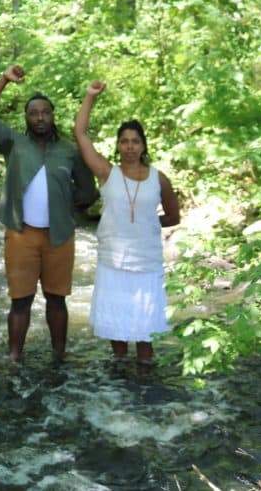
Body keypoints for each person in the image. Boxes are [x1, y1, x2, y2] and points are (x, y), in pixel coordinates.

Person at [0, 65, 97, 362]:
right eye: (34, 113)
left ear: (53, 116)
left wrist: (67, 204)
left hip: (60, 235)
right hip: (21, 233)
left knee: (57, 299)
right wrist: (3, 78)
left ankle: (59, 356)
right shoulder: (14, 143)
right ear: (26, 118)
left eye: (45, 112)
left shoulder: (69, 150)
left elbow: (89, 191)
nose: (40, 117)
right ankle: (14, 358)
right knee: (21, 300)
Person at [74, 81, 180, 361]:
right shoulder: (107, 173)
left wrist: (147, 223)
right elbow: (80, 134)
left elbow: (173, 215)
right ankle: (119, 380)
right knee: (117, 330)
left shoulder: (159, 178)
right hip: (114, 262)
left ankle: (145, 381)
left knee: (145, 335)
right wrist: (90, 97)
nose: (130, 146)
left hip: (146, 263)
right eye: (124, 141)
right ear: (118, 145)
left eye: (135, 141)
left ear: (143, 145)